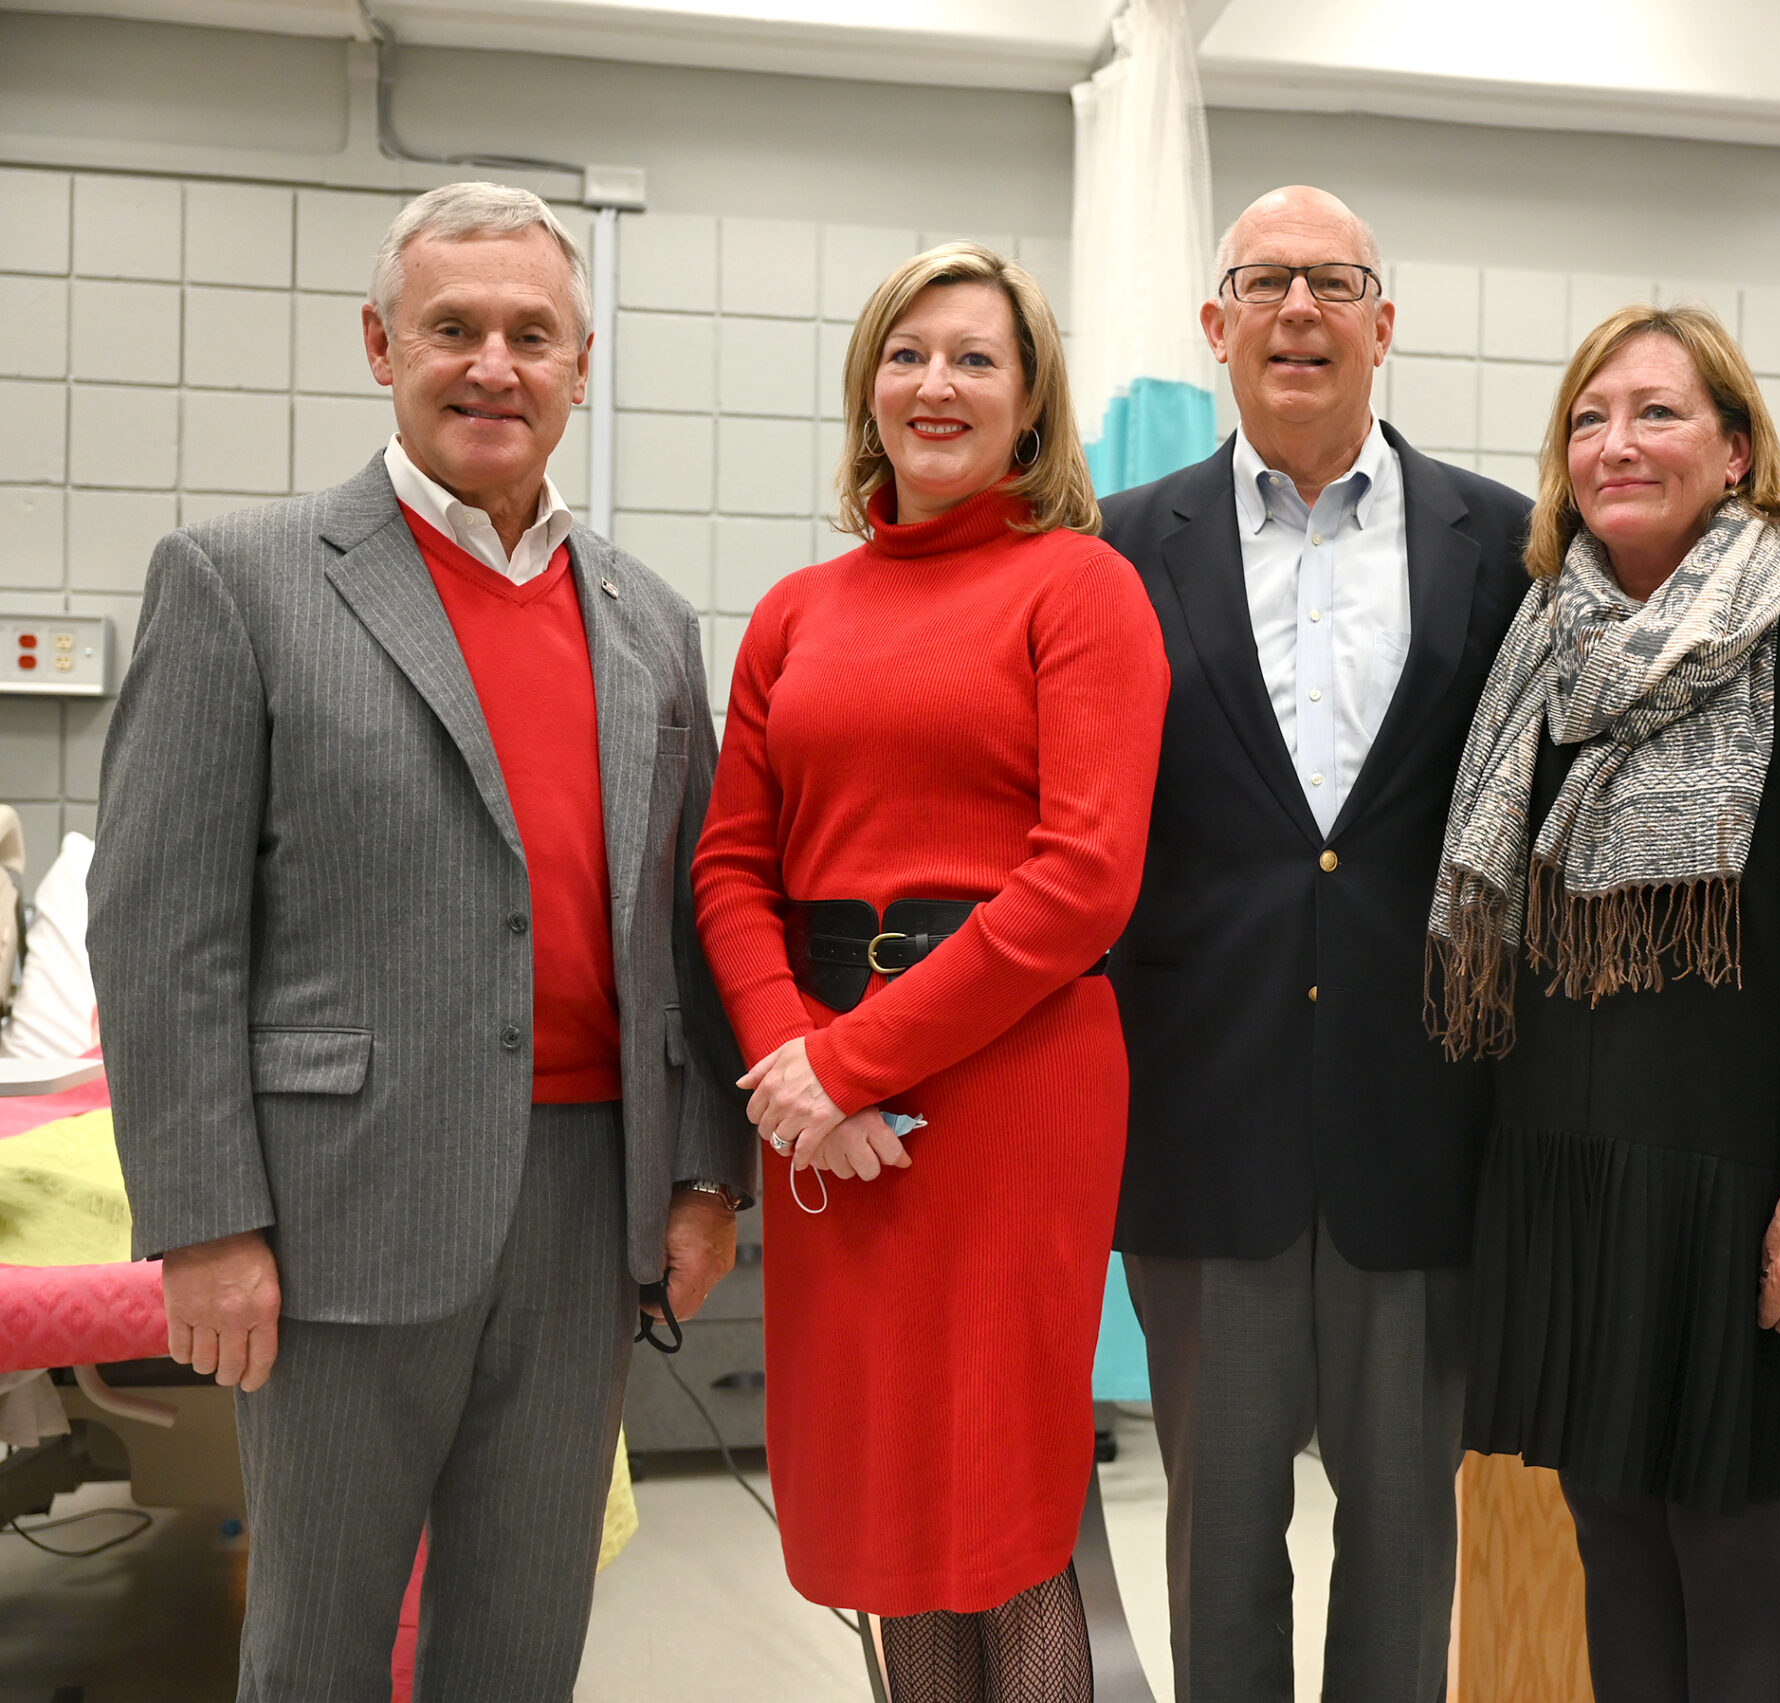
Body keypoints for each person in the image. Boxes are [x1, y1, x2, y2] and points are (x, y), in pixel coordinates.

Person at [91, 181, 752, 1700]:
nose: (492, 365)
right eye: (453, 328)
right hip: (339, 1218)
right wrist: (204, 1219)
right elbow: (161, 927)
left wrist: (706, 1173)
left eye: (533, 334)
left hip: (591, 1209)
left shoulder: (649, 617)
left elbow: (687, 917)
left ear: (583, 365)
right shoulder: (240, 583)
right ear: (380, 343)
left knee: (526, 1647)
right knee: (317, 1651)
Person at [691, 241, 1167, 1700]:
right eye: (908, 355)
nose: (937, 384)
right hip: (822, 1103)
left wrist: (849, 1063)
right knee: (892, 1496)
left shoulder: (1080, 591)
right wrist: (796, 1064)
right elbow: (728, 867)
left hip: (1010, 1092)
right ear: (868, 393)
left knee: (1002, 1501)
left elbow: (1082, 884)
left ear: (1031, 405)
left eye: (975, 358)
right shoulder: (795, 613)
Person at [1430, 302, 1780, 1701]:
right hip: (1564, 1169)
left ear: (1738, 451)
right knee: (1609, 1529)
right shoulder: (1538, 647)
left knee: (1727, 1540)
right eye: (1590, 416)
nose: (1616, 441)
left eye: (1657, 412)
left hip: (1738, 1181)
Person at [1100, 185, 1531, 1703]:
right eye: (1265, 283)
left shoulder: (1512, 547)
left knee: (1409, 1549)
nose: (1300, 309)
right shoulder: (1109, 552)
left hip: (1424, 1128)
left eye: (1334, 282)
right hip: (1204, 1124)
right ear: (1214, 327)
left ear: (1383, 324)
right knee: (1220, 1551)